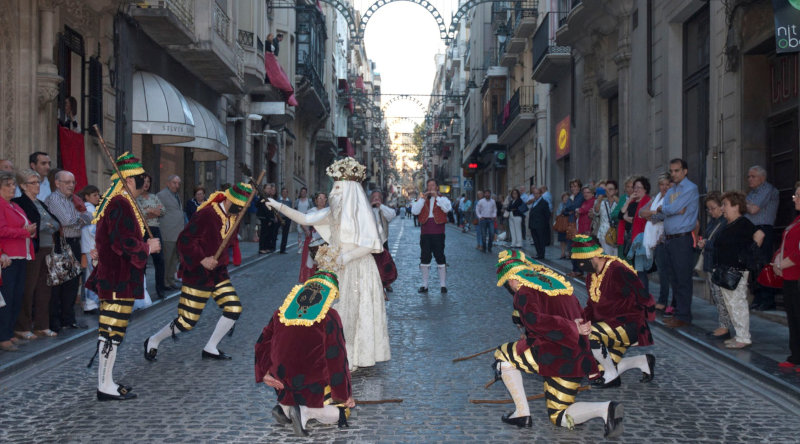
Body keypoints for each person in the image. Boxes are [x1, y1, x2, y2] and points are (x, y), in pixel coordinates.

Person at [265, 157, 389, 370]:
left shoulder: (362, 213)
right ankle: (341, 354)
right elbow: (305, 220)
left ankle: (354, 356)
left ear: (350, 189)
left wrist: (348, 257)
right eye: (334, 187)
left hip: (359, 268)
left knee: (356, 313)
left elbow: (371, 244)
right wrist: (278, 205)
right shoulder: (334, 211)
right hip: (339, 268)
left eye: (338, 187)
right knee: (336, 313)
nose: (334, 192)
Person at [491, 250, 623, 438]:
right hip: (576, 355)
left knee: (502, 354)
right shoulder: (554, 283)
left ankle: (522, 413)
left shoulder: (523, 292)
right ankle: (605, 409)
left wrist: (571, 327)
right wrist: (577, 328)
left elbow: (537, 320)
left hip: (554, 355)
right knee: (559, 414)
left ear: (512, 279)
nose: (511, 288)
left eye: (509, 285)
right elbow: (579, 316)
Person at [144, 182, 253, 361]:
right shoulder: (207, 214)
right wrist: (202, 259)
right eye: (239, 207)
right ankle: (154, 340)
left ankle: (211, 347)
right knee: (187, 322)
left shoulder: (235, 217)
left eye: (243, 208)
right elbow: (184, 240)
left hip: (218, 273)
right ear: (229, 200)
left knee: (233, 308)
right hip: (198, 274)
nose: (241, 211)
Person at [84, 153, 161, 400]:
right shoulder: (120, 203)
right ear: (129, 180)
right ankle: (104, 385)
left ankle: (107, 381)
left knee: (113, 333)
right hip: (118, 279)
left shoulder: (122, 202)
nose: (144, 182)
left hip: (119, 278)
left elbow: (107, 239)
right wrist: (148, 248)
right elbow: (122, 241)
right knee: (111, 333)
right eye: (141, 178)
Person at [254, 269, 355, 437]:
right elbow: (336, 358)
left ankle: (286, 407)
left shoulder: (281, 312)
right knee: (341, 413)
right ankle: (306, 411)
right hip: (312, 382)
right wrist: (344, 396)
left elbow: (262, 343)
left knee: (293, 391)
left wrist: (264, 373)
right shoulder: (330, 316)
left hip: (282, 379)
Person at [570, 235, 656, 388]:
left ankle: (612, 377)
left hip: (628, 325)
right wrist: (581, 320)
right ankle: (643, 361)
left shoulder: (617, 269)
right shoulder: (592, 275)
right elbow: (591, 304)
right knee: (600, 367)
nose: (581, 265)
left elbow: (642, 294)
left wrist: (645, 320)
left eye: (583, 261)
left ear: (595, 255)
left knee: (589, 334)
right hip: (608, 327)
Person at [12, 169, 59, 339]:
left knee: (44, 289)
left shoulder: (41, 202)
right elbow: (33, 225)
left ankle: (42, 325)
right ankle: (23, 326)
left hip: (47, 247)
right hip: (33, 249)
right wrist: (47, 225)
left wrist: (47, 224)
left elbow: (55, 222)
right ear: (23, 186)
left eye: (38, 182)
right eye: (33, 182)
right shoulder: (20, 203)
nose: (37, 185)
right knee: (28, 288)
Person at [714, 191, 764, 349]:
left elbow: (760, 235)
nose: (723, 208)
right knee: (730, 304)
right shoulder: (728, 224)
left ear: (736, 206)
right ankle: (739, 335)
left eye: (725, 205)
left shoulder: (743, 223)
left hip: (737, 271)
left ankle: (744, 337)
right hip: (726, 269)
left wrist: (748, 254)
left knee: (737, 304)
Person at [45, 170, 91, 332]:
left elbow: (89, 217)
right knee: (60, 283)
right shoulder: (54, 199)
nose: (71, 185)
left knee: (72, 283)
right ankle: (56, 321)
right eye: (67, 182)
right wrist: (80, 219)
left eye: (73, 182)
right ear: (57, 183)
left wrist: (79, 219)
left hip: (75, 242)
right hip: (61, 243)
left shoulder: (74, 199)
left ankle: (68, 319)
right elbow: (66, 220)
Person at [655, 159, 699, 328]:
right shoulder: (672, 189)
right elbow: (669, 208)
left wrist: (665, 209)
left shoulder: (690, 188)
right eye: (671, 171)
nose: (673, 174)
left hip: (682, 238)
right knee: (674, 278)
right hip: (670, 239)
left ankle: (684, 315)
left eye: (677, 170)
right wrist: (666, 209)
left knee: (683, 278)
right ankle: (678, 313)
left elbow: (671, 208)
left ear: (685, 171)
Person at [0, 171, 36, 351]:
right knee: (6, 298)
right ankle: (3, 336)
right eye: (8, 185)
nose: (12, 188)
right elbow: (2, 230)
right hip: (8, 256)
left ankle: (9, 332)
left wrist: (31, 230)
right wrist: (25, 232)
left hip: (21, 255)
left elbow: (27, 223)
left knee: (16, 296)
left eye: (13, 185)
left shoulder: (14, 205)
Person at [772, 182, 800, 369]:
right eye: (795, 195)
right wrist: (776, 261)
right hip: (789, 276)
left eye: (798, 195)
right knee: (793, 317)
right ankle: (795, 356)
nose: (794, 198)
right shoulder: (795, 220)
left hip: (796, 274)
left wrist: (783, 263)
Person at [745, 166, 780, 311]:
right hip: (752, 230)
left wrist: (742, 202)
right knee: (754, 266)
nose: (750, 179)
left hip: (763, 229)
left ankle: (768, 299)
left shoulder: (767, 189)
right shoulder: (752, 193)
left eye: (753, 176)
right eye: (749, 176)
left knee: (763, 263)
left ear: (762, 178)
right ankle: (758, 297)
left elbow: (753, 209)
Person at [697, 192, 730, 339]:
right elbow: (708, 236)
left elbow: (722, 243)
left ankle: (725, 328)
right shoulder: (713, 222)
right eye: (708, 209)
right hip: (711, 263)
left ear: (722, 206)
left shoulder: (725, 222)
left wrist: (707, 243)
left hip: (719, 263)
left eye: (713, 208)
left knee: (722, 297)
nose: (711, 211)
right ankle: (722, 325)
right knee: (716, 296)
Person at [411, 179, 453, 293]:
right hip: (425, 232)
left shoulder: (443, 199)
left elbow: (447, 209)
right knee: (424, 257)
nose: (430, 188)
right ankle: (424, 285)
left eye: (433, 185)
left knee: (440, 257)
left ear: (437, 187)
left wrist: (437, 198)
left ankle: (443, 285)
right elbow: (414, 211)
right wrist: (422, 200)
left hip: (438, 232)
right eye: (429, 186)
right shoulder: (422, 199)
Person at [639, 173, 673, 313]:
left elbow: (662, 216)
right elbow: (641, 212)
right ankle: (662, 300)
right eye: (661, 184)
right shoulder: (656, 198)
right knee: (659, 271)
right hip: (652, 238)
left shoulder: (671, 198)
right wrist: (654, 212)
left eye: (667, 184)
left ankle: (663, 301)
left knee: (664, 273)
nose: (664, 187)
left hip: (663, 239)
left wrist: (651, 214)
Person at [136, 173, 167, 299]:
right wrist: (153, 211)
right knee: (141, 261)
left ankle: (160, 289)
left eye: (148, 181)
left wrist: (149, 211)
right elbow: (139, 214)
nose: (146, 184)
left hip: (155, 230)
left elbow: (162, 211)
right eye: (144, 181)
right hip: (142, 231)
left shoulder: (154, 197)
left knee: (160, 260)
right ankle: (141, 291)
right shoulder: (136, 197)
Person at [622, 178, 653, 292]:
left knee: (641, 271)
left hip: (643, 240)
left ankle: (644, 298)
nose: (636, 190)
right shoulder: (633, 202)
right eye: (635, 187)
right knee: (638, 270)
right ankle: (641, 296)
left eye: (639, 187)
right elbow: (621, 214)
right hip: (635, 239)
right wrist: (629, 199)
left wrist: (628, 218)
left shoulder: (648, 201)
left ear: (645, 189)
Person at [157, 174, 184, 290]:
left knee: (174, 259)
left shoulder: (176, 195)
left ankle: (171, 280)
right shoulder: (161, 195)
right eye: (174, 183)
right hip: (167, 233)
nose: (177, 185)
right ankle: (165, 282)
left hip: (177, 232)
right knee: (167, 259)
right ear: (168, 183)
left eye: (178, 183)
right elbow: (157, 212)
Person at [78, 185, 101, 313]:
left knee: (90, 275)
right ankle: (91, 303)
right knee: (94, 275)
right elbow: (94, 230)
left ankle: (90, 303)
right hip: (93, 247)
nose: (97, 197)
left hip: (89, 246)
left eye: (98, 194)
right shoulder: (90, 209)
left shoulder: (87, 208)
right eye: (94, 195)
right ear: (87, 196)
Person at [370, 190, 397, 295]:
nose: (376, 199)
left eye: (378, 197)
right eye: (374, 197)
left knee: (385, 263)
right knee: (373, 262)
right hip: (370, 241)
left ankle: (386, 283)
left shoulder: (383, 209)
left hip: (383, 240)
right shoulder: (367, 209)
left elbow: (392, 215)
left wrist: (380, 206)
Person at [299, 192, 327, 283]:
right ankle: (311, 281)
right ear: (315, 200)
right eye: (319, 198)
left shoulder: (328, 211)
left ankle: (323, 281)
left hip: (326, 239)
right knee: (311, 260)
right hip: (314, 238)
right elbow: (302, 220)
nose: (322, 200)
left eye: (324, 198)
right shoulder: (312, 211)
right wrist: (306, 230)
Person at [562, 179, 585, 277]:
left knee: (577, 248)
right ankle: (574, 269)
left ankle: (579, 270)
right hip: (571, 224)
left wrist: (570, 208)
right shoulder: (571, 197)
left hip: (578, 225)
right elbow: (565, 210)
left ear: (579, 187)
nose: (573, 188)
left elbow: (575, 206)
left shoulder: (580, 196)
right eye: (572, 186)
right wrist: (569, 209)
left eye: (575, 186)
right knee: (571, 248)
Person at [611, 177, 635, 257]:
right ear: (625, 188)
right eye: (628, 187)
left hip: (634, 232)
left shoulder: (639, 199)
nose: (630, 189)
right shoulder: (623, 198)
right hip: (622, 233)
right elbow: (613, 214)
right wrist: (623, 214)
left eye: (632, 187)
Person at [595, 180, 619, 256]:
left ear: (616, 191)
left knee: (616, 257)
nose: (608, 191)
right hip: (604, 233)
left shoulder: (618, 202)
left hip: (616, 232)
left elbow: (623, 209)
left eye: (611, 189)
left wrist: (616, 198)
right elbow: (596, 212)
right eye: (607, 189)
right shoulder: (602, 202)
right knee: (607, 257)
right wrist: (599, 200)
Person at [528, 187, 551, 260]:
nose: (535, 195)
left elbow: (547, 215)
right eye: (534, 193)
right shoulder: (534, 202)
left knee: (540, 240)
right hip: (533, 224)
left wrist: (544, 224)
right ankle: (538, 253)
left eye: (537, 193)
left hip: (540, 225)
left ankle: (541, 254)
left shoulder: (544, 203)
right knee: (535, 240)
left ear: (540, 194)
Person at [257, 184, 280, 254]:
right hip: (264, 217)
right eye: (267, 188)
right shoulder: (263, 196)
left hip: (268, 217)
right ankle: (262, 248)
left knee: (267, 233)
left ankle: (266, 247)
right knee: (263, 233)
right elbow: (264, 208)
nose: (269, 190)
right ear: (264, 189)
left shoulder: (267, 197)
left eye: (270, 188)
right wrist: (269, 218)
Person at [294, 187, 312, 254]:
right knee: (300, 234)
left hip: (307, 219)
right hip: (299, 219)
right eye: (302, 192)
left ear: (306, 193)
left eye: (304, 192)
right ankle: (300, 248)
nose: (303, 193)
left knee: (307, 234)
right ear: (300, 192)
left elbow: (312, 209)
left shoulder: (309, 201)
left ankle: (306, 248)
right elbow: (295, 210)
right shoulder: (297, 201)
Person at [277, 187, 292, 254]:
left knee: (285, 234)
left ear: (287, 193)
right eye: (283, 192)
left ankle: (283, 249)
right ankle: (272, 247)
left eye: (286, 192)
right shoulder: (278, 200)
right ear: (281, 193)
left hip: (287, 218)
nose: (284, 193)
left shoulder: (289, 201)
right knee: (274, 232)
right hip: (279, 217)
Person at [556, 192, 569, 258]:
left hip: (568, 224)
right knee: (562, 239)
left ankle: (568, 253)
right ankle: (563, 253)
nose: (565, 199)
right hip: (561, 224)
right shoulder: (560, 205)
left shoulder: (570, 205)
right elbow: (558, 213)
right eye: (564, 198)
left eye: (567, 198)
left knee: (567, 239)